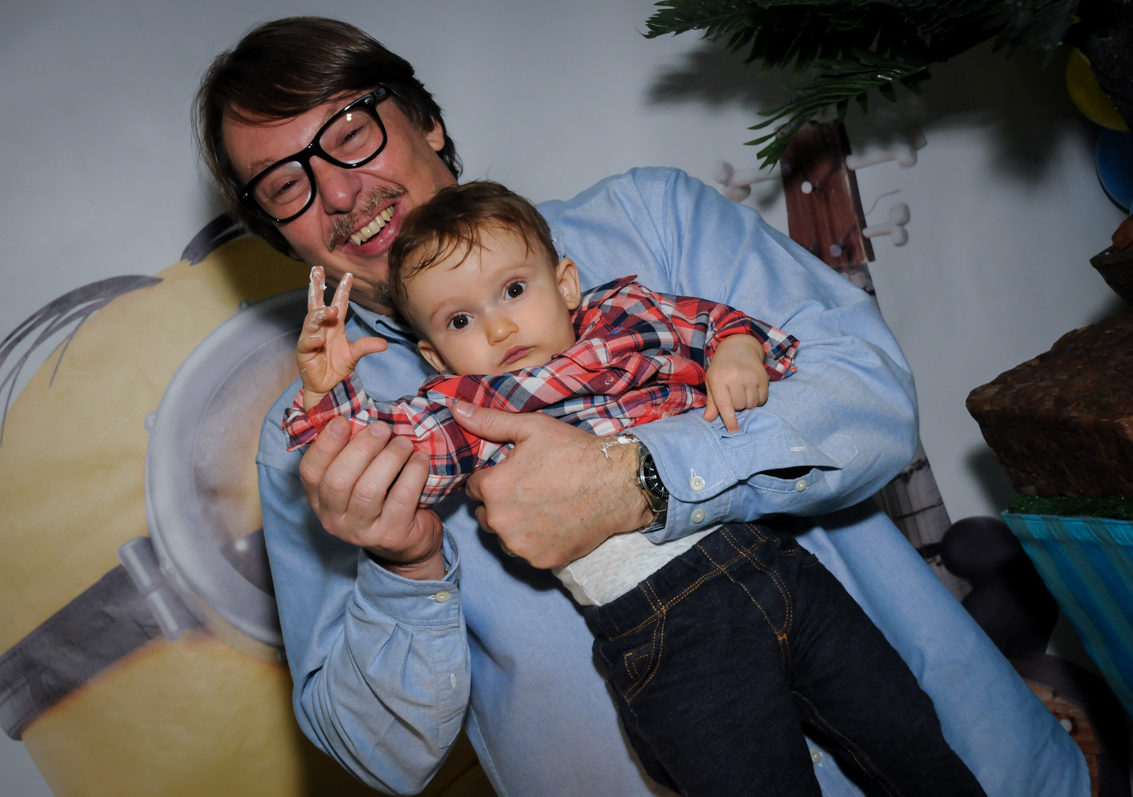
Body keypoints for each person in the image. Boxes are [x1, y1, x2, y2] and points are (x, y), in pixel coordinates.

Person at [194, 16, 1087, 797]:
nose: (340, 193)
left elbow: (874, 397)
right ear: (279, 234)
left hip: (972, 762)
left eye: (350, 130)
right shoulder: (321, 445)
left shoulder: (652, 223)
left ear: (425, 117)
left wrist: (645, 480)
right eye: (284, 184)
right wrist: (403, 567)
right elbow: (382, 754)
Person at [282, 179, 987, 797]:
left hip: (777, 568)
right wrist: (328, 392)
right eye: (460, 320)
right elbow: (375, 455)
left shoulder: (628, 319)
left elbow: (717, 324)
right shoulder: (461, 408)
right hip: (663, 628)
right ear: (434, 355)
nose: (497, 325)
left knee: (905, 732)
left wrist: (737, 349)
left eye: (514, 290)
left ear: (564, 284)